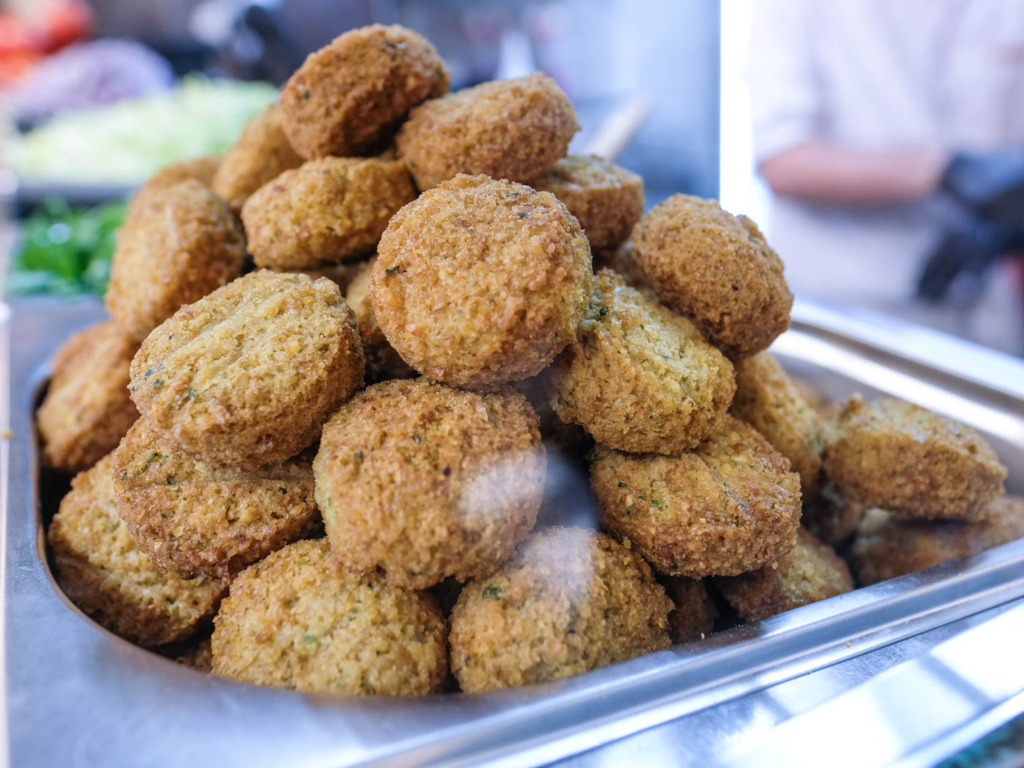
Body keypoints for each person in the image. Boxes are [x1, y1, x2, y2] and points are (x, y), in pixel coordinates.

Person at [748, 0, 1024, 356]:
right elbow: (782, 159)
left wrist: (1004, 221)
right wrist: (943, 170)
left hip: (981, 309)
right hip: (850, 305)